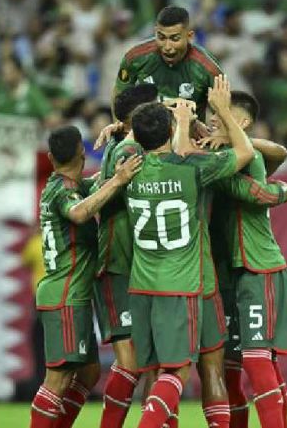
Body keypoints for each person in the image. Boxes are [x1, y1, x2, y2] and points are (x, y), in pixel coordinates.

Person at [124, 75, 253, 428]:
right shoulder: (192, 169)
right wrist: (221, 112)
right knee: (187, 370)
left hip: (142, 284)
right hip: (186, 284)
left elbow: (150, 145)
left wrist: (169, 124)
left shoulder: (125, 168)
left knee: (155, 372)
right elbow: (245, 153)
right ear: (167, 131)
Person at [28, 126, 141, 428]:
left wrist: (124, 137)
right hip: (64, 294)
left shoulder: (67, 185)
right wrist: (118, 179)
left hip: (71, 294)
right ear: (82, 151)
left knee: (89, 372)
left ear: (51, 157)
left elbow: (97, 185)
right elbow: (79, 212)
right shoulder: (64, 192)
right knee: (58, 378)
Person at [200, 91, 287, 428]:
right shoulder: (221, 152)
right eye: (211, 113)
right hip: (228, 277)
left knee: (257, 361)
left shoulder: (245, 157)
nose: (213, 119)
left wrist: (281, 191)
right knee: (230, 368)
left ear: (242, 122)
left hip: (258, 268)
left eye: (221, 114)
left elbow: (262, 191)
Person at [93, 83, 159, 428]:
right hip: (117, 263)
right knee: (132, 364)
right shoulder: (129, 150)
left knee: (152, 362)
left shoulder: (127, 143)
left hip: (141, 267)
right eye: (155, 107)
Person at [113, 6, 222, 122]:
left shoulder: (208, 69)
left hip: (188, 137)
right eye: (161, 37)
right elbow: (119, 93)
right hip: (145, 136)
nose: (167, 47)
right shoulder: (135, 58)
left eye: (174, 39)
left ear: (189, 36)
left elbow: (224, 110)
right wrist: (119, 127)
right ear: (155, 32)